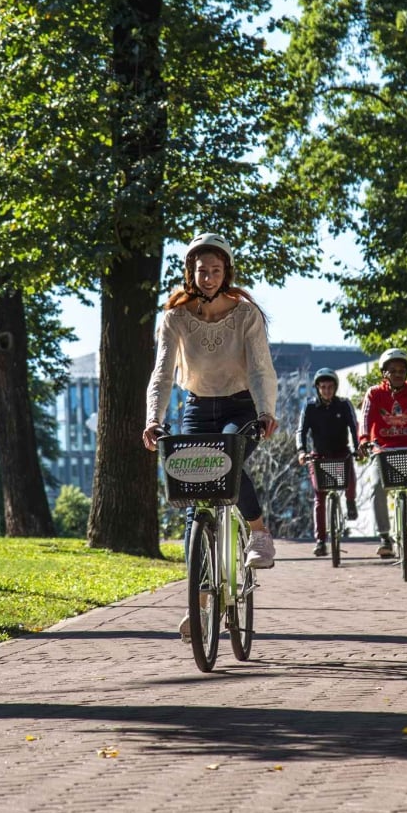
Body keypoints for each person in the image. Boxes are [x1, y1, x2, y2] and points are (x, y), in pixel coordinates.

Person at [143, 232, 279, 641]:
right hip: (196, 408)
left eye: (216, 270)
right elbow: (163, 373)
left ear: (226, 272)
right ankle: (199, 605)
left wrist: (266, 410)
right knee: (193, 505)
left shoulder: (245, 313)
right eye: (201, 270)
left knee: (229, 461)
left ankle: (258, 532)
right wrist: (154, 418)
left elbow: (260, 368)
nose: (208, 277)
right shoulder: (174, 317)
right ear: (191, 272)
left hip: (240, 406)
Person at [359, 347, 407, 557]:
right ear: (384, 373)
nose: (398, 373)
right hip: (383, 451)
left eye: (402, 370)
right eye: (393, 370)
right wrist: (364, 440)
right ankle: (384, 536)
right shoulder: (374, 393)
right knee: (376, 486)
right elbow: (364, 419)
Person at [296, 367, 360, 556]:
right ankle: (321, 540)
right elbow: (301, 431)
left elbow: (353, 427)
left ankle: (350, 502)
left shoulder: (343, 405)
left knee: (349, 471)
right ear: (317, 388)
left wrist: (358, 447)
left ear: (335, 387)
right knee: (319, 497)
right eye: (323, 387)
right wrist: (301, 451)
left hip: (341, 452)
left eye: (330, 387)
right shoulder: (309, 407)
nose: (326, 391)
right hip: (319, 456)